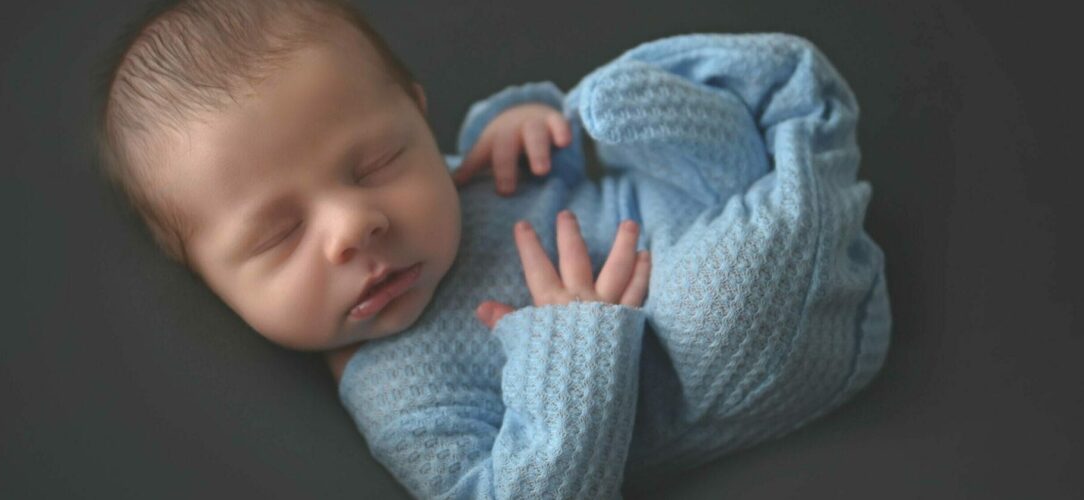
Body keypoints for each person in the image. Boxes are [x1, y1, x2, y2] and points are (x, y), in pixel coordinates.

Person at [95, 0, 891, 497]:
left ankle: (764, 153)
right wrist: (573, 341)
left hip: (663, 205)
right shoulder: (401, 397)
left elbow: (532, 162)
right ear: (207, 277)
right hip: (698, 342)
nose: (354, 227)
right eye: (279, 234)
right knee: (713, 307)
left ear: (417, 116)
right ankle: (789, 200)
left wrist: (521, 124)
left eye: (378, 162)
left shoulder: (451, 174)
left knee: (609, 104)